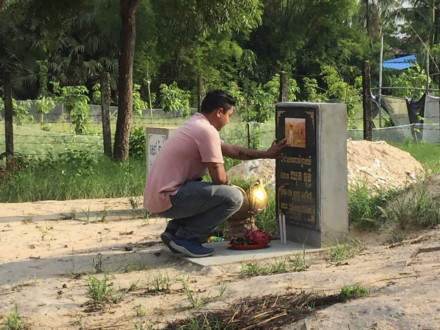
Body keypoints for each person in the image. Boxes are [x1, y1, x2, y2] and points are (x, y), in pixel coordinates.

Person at [143, 90, 286, 258]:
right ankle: (188, 238)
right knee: (233, 198)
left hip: (158, 197)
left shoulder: (196, 124)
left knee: (215, 192)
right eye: (229, 115)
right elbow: (220, 179)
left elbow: (231, 150)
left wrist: (266, 154)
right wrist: (234, 197)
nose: (228, 121)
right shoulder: (206, 131)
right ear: (219, 112)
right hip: (168, 197)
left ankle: (175, 230)